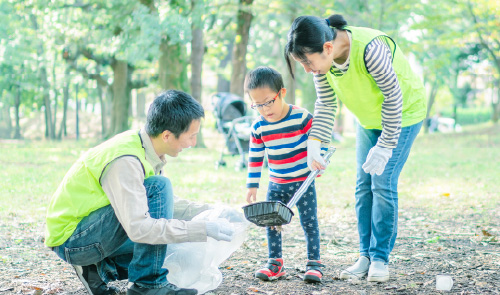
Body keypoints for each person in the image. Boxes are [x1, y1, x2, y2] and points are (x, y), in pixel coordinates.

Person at [45, 90, 235, 295]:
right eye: (191, 136)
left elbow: (162, 207)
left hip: (89, 232)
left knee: (170, 240)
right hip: (75, 240)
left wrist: (215, 212)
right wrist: (201, 229)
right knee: (160, 199)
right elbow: (140, 228)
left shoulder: (147, 147)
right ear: (167, 135)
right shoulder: (126, 160)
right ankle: (147, 286)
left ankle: (97, 270)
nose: (193, 144)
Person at [284, 14, 427, 282]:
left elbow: (393, 96)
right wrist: (314, 143)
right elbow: (326, 105)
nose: (306, 68)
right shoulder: (323, 66)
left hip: (404, 114)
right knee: (363, 185)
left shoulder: (370, 50)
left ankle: (380, 258)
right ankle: (365, 256)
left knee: (382, 183)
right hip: (369, 119)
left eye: (307, 61)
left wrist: (385, 145)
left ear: (327, 47)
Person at [244, 66, 327, 283]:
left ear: (282, 93)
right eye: (257, 104)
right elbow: (255, 158)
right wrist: (251, 186)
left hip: (303, 184)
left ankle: (314, 263)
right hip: (276, 183)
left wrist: (320, 157)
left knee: (309, 222)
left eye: (268, 102)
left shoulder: (301, 117)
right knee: (272, 223)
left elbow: (319, 141)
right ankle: (275, 263)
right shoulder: (259, 127)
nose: (264, 109)